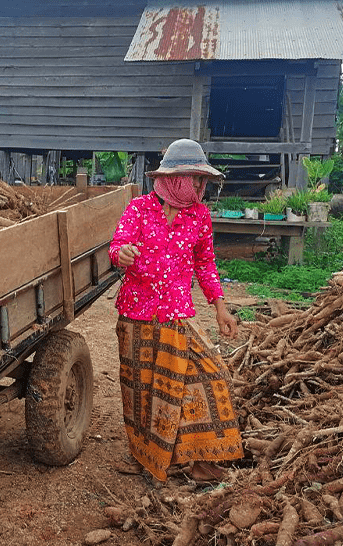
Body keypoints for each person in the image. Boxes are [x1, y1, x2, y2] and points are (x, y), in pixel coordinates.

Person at [109, 138, 243, 483]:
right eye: (194, 179)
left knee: (209, 376)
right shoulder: (139, 208)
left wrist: (220, 308)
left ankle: (201, 461)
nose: (200, 187)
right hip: (136, 315)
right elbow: (118, 246)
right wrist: (122, 254)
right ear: (174, 178)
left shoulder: (199, 216)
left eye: (202, 180)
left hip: (177, 315)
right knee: (141, 391)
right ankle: (144, 458)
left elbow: (206, 263)